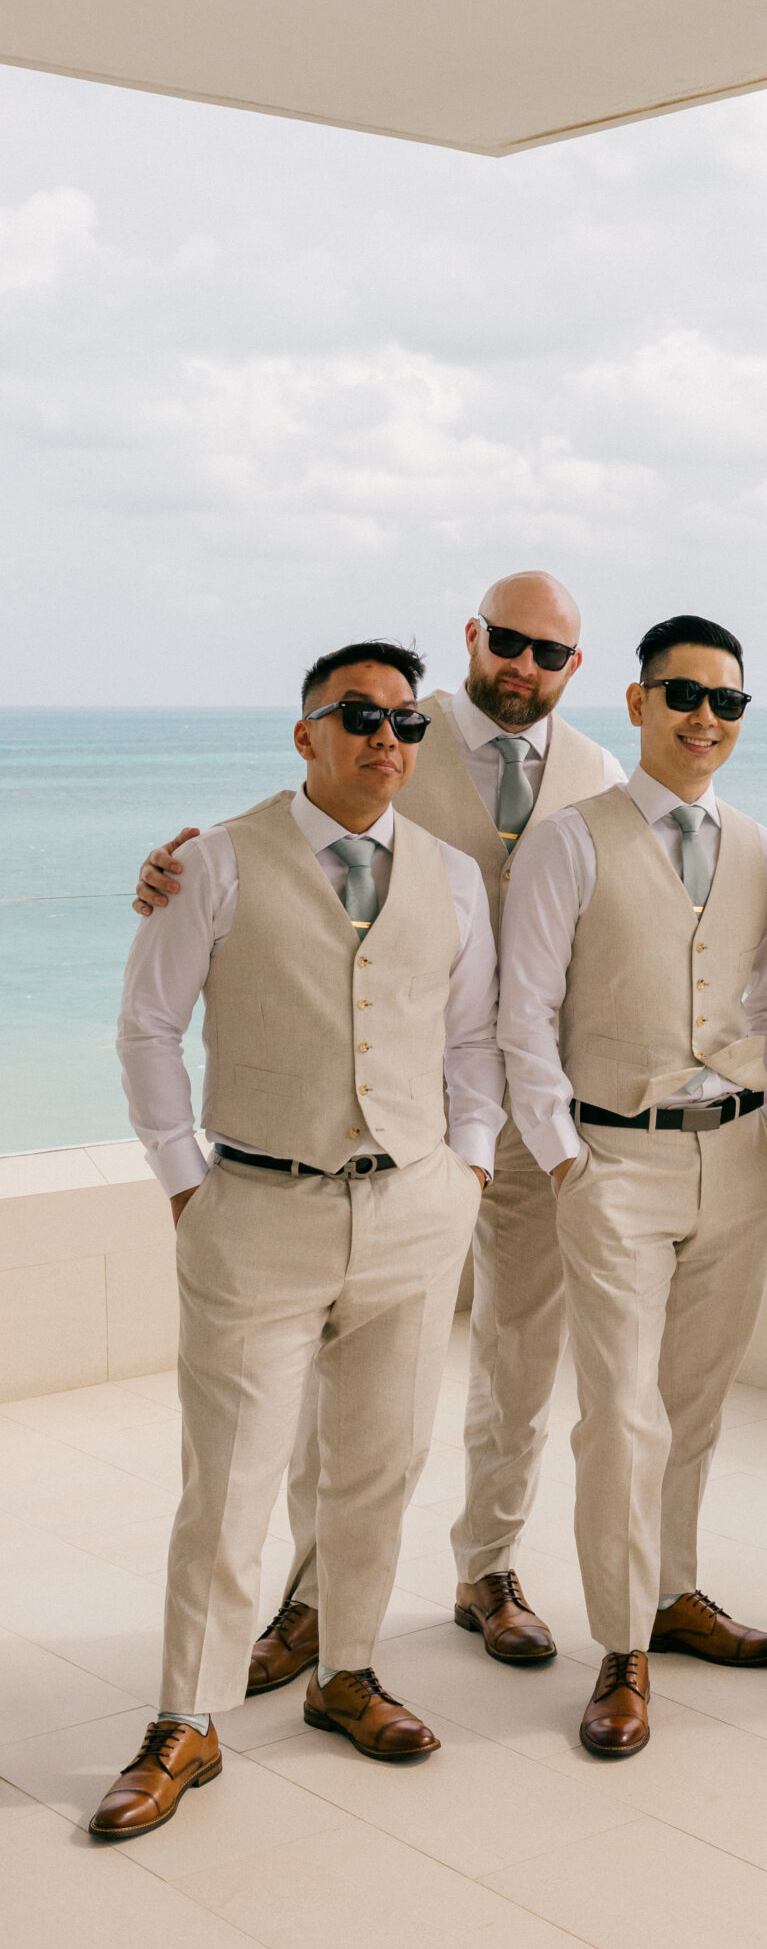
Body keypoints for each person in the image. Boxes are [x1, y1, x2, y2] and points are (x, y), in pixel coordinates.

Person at [131, 570, 623, 1683]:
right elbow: (282, 865)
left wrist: (476, 1151)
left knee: (518, 1354)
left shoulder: (597, 772)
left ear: (574, 669)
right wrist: (176, 877)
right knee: (319, 1391)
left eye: (550, 654)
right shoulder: (398, 727)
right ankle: (311, 1599)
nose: (525, 667)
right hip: (370, 1125)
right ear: (473, 636)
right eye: (509, 642)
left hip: (521, 1115)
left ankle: (487, 1565)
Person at [92, 645, 502, 1840]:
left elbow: (471, 1043)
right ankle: (189, 1716)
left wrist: (467, 1166)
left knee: (381, 1464)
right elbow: (148, 1028)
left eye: (407, 721)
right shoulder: (213, 863)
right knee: (229, 1481)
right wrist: (185, 1182)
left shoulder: (454, 877)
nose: (387, 738)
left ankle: (348, 1670)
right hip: (257, 1212)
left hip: (415, 1215)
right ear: (305, 733)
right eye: (360, 715)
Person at [499, 615, 767, 1758]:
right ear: (636, 704)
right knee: (620, 1415)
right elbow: (521, 1014)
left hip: (737, 1158)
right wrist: (566, 1152)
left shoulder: (765, 850)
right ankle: (622, 1646)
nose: (705, 720)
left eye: (727, 702)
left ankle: (675, 1594)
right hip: (611, 1157)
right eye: (683, 695)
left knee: (694, 1403)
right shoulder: (570, 841)